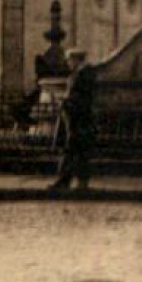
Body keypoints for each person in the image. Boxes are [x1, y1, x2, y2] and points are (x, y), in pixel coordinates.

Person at [49, 55, 97, 193]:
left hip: (76, 119)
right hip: (80, 119)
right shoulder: (83, 74)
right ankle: (81, 182)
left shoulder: (80, 75)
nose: (68, 63)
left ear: (75, 59)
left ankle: (65, 181)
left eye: (69, 60)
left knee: (70, 150)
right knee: (80, 152)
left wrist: (63, 101)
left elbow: (77, 98)